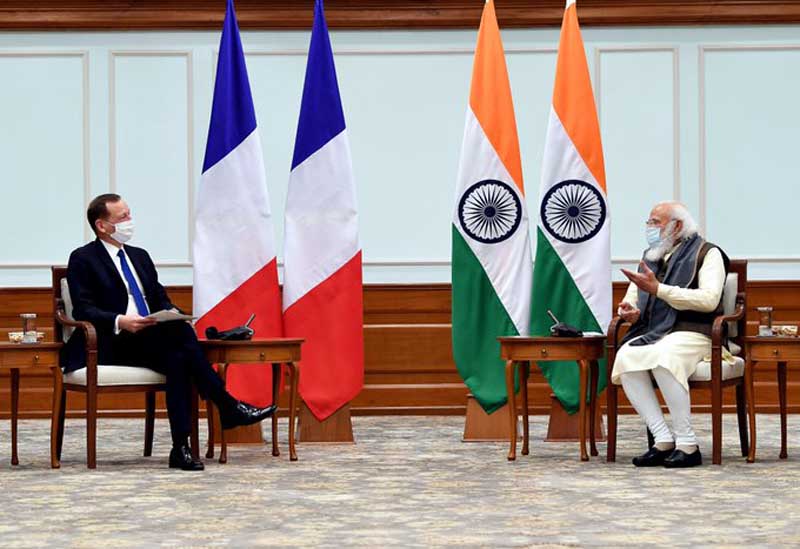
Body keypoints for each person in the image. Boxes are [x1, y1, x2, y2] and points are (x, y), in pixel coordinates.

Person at [62, 193, 276, 471]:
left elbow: (159, 298)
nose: (130, 221)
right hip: (109, 341)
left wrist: (173, 313)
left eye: (129, 214)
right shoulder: (83, 258)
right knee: (182, 344)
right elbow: (83, 309)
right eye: (123, 217)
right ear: (102, 226)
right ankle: (227, 406)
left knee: (178, 357)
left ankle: (181, 448)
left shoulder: (139, 256)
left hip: (150, 338)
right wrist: (120, 320)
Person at [611, 201, 729, 468]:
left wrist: (660, 290)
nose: (649, 228)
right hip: (656, 330)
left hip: (695, 331)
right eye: (648, 222)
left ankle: (687, 445)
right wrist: (629, 312)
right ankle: (662, 440)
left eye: (655, 222)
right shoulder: (651, 256)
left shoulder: (708, 253)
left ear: (677, 226)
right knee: (626, 356)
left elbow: (709, 300)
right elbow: (634, 298)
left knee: (664, 357)